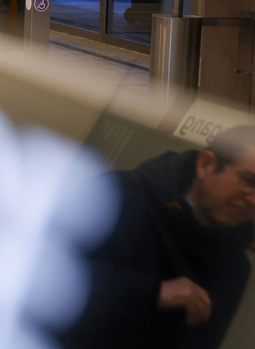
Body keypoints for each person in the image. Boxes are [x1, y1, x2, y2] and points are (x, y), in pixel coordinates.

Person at [62, 126, 255, 349]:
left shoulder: (235, 266)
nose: (253, 200)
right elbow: (43, 273)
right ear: (206, 164)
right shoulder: (117, 194)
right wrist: (152, 293)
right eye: (248, 181)